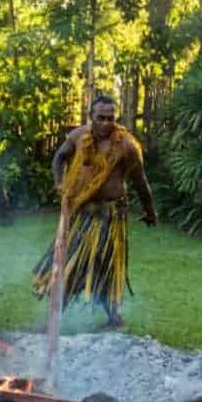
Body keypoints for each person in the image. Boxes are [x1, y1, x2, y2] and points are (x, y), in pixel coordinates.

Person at [31, 95, 157, 330]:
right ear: (91, 117)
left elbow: (141, 182)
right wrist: (61, 188)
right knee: (68, 265)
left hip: (110, 217)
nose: (106, 123)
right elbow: (59, 158)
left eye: (111, 118)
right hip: (82, 214)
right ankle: (53, 320)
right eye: (101, 118)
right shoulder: (78, 136)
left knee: (105, 269)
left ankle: (114, 319)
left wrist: (150, 211)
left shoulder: (127, 146)